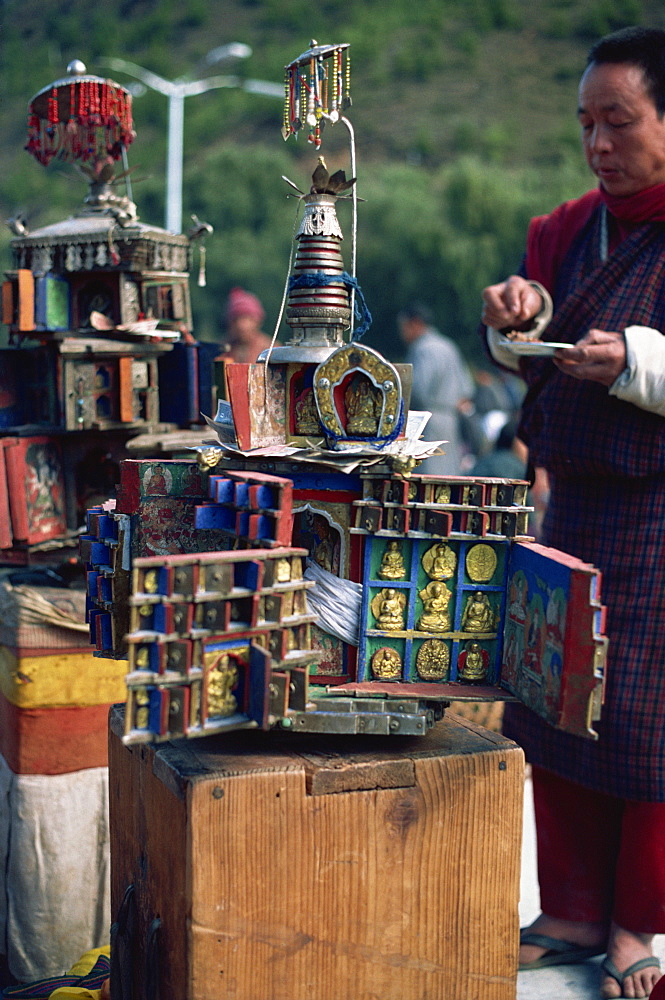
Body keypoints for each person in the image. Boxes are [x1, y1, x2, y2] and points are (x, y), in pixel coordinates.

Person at [481, 26, 665, 1000]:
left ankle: (637, 922)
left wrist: (634, 359)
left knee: (643, 719)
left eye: (618, 122)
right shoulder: (563, 230)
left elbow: (629, 356)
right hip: (573, 505)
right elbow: (528, 350)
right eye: (585, 124)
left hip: (656, 512)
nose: (597, 145)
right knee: (555, 699)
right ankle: (566, 906)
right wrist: (511, 319)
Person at [397, 301, 474, 474]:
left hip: (427, 421)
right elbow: (466, 389)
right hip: (451, 419)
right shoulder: (448, 346)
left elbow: (417, 391)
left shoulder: (422, 349)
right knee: (448, 474)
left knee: (427, 474)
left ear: (415, 323)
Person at [221, 286, 272, 363]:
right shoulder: (221, 350)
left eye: (247, 319)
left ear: (258, 321)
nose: (241, 325)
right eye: (237, 319)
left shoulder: (271, 350)